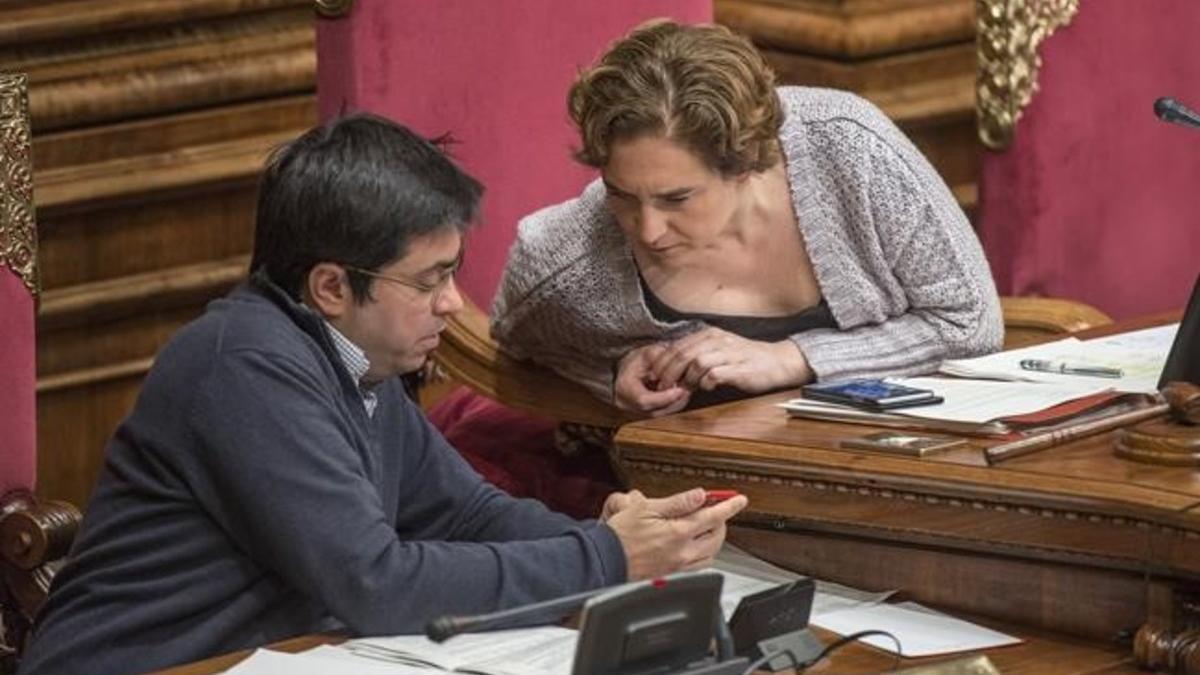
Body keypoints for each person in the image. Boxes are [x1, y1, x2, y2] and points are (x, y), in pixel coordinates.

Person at [18, 115, 747, 675]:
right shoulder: (243, 367)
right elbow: (377, 582)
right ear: (332, 286)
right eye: (429, 280)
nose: (452, 304)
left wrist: (614, 531)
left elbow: (465, 510)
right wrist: (605, 556)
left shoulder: (351, 357)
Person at [491, 20, 1003, 415]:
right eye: (621, 195)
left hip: (893, 465)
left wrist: (790, 359)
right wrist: (610, 373)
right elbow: (515, 339)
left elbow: (969, 323)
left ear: (746, 163)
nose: (647, 230)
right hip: (706, 490)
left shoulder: (849, 148)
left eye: (677, 198)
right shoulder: (574, 255)